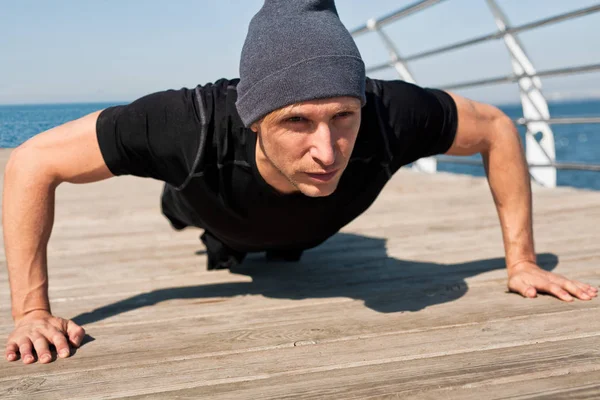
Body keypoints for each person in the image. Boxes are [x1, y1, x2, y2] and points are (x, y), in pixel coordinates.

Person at [3, 0, 597, 365]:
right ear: (253, 115)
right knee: (200, 223)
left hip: (312, 231)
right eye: (296, 122)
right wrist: (32, 311)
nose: (327, 148)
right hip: (211, 210)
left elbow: (495, 126)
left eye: (344, 116)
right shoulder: (191, 123)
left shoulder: (392, 114)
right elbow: (31, 163)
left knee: (292, 242)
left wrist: (519, 261)